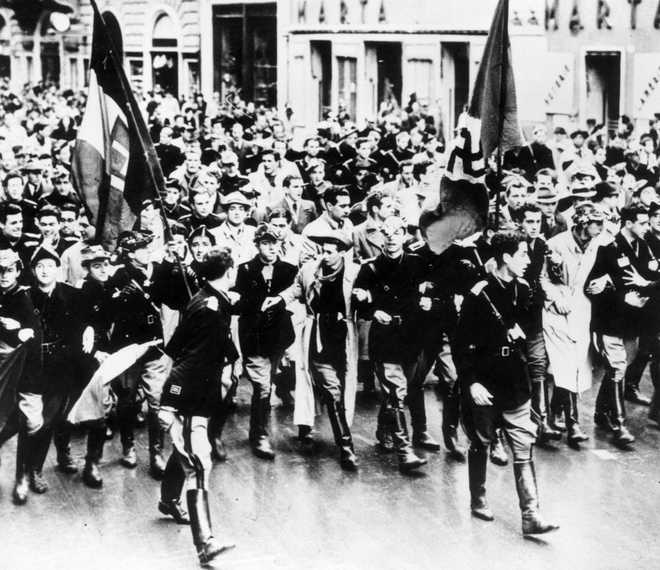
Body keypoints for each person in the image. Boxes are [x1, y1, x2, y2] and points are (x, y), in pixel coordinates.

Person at [455, 230, 559, 536]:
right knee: (482, 442)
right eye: (523, 254)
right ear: (505, 258)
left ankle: (531, 514)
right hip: (484, 381)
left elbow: (531, 321)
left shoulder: (524, 289)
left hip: (515, 381)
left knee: (523, 445)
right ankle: (478, 498)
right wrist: (471, 383)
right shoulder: (479, 294)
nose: (528, 260)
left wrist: (521, 329)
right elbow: (461, 344)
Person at [158, 248, 237, 566]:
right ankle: (205, 545)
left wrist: (229, 355)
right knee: (199, 466)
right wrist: (169, 402)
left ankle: (167, 500)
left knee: (186, 454)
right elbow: (184, 362)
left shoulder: (208, 300)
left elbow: (176, 344)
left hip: (198, 399)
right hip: (189, 401)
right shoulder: (208, 307)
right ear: (228, 271)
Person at [276, 229, 359, 470]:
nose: (324, 255)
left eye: (330, 251)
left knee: (343, 388)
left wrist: (365, 297)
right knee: (332, 390)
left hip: (343, 337)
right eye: (322, 250)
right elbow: (296, 290)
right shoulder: (310, 269)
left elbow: (368, 295)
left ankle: (343, 436)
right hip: (317, 336)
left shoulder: (353, 272)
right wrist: (279, 299)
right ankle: (346, 447)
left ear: (342, 252)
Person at [353, 216, 427, 473]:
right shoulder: (371, 268)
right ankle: (404, 450)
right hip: (385, 338)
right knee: (397, 392)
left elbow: (429, 291)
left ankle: (384, 428)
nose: (392, 237)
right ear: (381, 237)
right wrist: (373, 310)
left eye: (397, 232)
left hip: (412, 336)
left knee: (400, 391)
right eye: (387, 233)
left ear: (405, 235)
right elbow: (358, 301)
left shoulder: (417, 263)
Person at [542, 202, 605, 446]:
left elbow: (605, 270)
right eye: (595, 224)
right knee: (565, 363)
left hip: (581, 308)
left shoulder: (598, 245)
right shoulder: (556, 243)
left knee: (577, 364)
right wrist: (556, 298)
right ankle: (573, 422)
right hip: (556, 311)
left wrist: (604, 282)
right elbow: (543, 278)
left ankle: (554, 412)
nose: (599, 228)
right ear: (582, 223)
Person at [587, 206, 651, 448]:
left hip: (632, 322)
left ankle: (600, 412)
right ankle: (619, 424)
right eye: (642, 223)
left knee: (623, 366)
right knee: (616, 367)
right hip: (610, 320)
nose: (647, 227)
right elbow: (592, 286)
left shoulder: (642, 246)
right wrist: (620, 297)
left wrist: (645, 288)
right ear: (628, 223)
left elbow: (647, 275)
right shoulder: (608, 248)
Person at [108, 230, 169, 477]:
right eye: (142, 249)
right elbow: (107, 310)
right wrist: (120, 298)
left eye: (147, 248)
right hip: (127, 348)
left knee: (156, 399)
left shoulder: (158, 271)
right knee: (127, 400)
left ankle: (157, 452)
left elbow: (175, 295)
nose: (147, 252)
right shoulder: (119, 276)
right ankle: (128, 446)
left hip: (153, 346)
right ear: (130, 254)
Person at [233, 224, 297, 459]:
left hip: (279, 337)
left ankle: (256, 431)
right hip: (255, 336)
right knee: (262, 386)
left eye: (274, 243)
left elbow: (296, 298)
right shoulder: (245, 269)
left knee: (267, 384)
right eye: (265, 243)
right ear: (257, 245)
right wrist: (257, 303)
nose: (271, 248)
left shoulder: (289, 270)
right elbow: (239, 303)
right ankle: (260, 435)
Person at [27, 245, 83, 492]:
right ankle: (35, 469)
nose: (45, 271)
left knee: (65, 413)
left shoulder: (71, 294)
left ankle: (63, 454)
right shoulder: (26, 297)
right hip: (37, 366)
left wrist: (90, 331)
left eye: (50, 265)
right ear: (33, 270)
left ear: (58, 269)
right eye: (39, 266)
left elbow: (86, 321)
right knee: (45, 419)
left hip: (66, 364)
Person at [0, 249, 42, 505]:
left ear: (17, 271)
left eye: (8, 270)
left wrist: (19, 332)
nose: (3, 276)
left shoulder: (24, 298)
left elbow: (34, 335)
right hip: (3, 371)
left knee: (29, 422)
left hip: (25, 371)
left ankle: (22, 478)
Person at [78, 244, 114, 488]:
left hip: (107, 358)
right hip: (85, 360)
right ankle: (66, 455)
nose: (102, 269)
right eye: (96, 265)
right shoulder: (82, 294)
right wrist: (94, 351)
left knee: (101, 415)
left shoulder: (110, 289)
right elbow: (79, 330)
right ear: (87, 269)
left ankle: (92, 462)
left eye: (104, 264)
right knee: (72, 412)